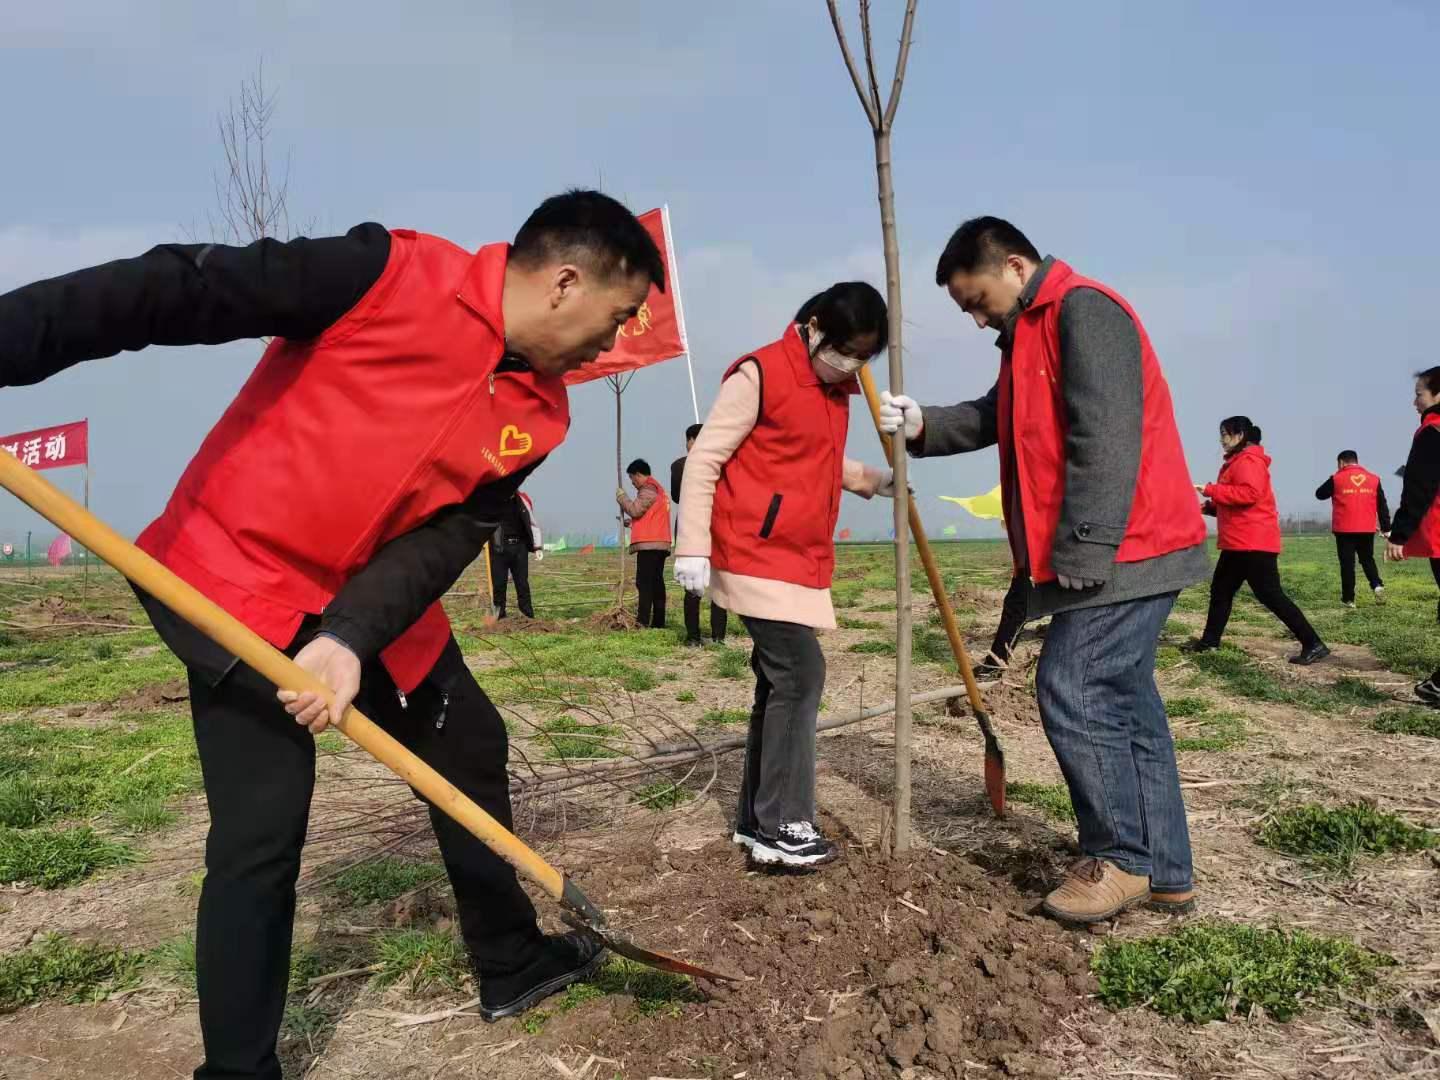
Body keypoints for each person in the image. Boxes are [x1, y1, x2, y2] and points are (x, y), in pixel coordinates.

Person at [0, 189, 664, 1079]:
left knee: (468, 741)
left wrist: (349, 637)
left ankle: (510, 961)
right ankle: (240, 1070)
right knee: (261, 833)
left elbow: (445, 540)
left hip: (376, 607)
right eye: (617, 318)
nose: (613, 344)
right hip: (235, 582)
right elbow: (180, 289)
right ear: (566, 282)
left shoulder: (544, 414)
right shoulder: (387, 274)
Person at [879, 217, 1208, 923]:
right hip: (1120, 547)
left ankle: (1117, 856)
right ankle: (1165, 868)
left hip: (1130, 545)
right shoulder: (1026, 335)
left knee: (1072, 682)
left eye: (976, 300)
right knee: (1125, 701)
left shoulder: (1085, 311)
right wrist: (922, 425)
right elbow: (999, 415)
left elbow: (1108, 434)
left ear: (1016, 265)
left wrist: (1085, 549)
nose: (974, 319)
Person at [675, 281, 898, 869]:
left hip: (799, 558)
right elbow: (706, 459)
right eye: (845, 349)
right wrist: (691, 546)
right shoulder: (760, 373)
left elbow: (815, 461)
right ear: (816, 326)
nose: (850, 364)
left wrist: (879, 480)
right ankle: (784, 823)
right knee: (800, 674)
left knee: (778, 685)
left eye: (863, 357)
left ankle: (757, 820)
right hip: (754, 551)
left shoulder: (837, 392)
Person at [1188, 417, 1330, 664]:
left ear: (1240, 434)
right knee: (1221, 590)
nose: (1221, 439)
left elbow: (1249, 494)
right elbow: (1234, 501)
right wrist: (1206, 507)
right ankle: (1209, 643)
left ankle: (1313, 643)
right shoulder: (1239, 461)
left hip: (1252, 542)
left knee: (1270, 595)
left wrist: (1210, 489)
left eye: (1225, 434)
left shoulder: (1249, 460)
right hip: (1239, 542)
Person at [1384, 366, 1440, 705]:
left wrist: (1399, 533)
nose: (1414, 401)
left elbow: (1419, 487)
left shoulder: (1432, 432)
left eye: (1420, 393)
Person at [671, 423, 728, 647]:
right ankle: (713, 637)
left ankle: (699, 637)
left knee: (697, 586)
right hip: (710, 528)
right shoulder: (719, 464)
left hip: (695, 529)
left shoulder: (681, 465)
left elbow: (677, 496)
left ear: (690, 440)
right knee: (711, 584)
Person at [1315, 451, 1391, 608]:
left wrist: (1335, 477)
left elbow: (1319, 494)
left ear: (1341, 463)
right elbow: (1382, 505)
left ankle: (1349, 599)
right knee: (1367, 559)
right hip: (1366, 528)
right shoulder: (1374, 479)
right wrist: (1386, 528)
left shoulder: (1336, 479)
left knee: (1347, 564)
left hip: (1344, 530)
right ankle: (1377, 585)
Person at [616, 458, 671, 628]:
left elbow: (635, 510)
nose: (632, 483)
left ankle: (642, 621)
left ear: (639, 475)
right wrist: (630, 523)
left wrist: (622, 497)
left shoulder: (648, 488)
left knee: (644, 583)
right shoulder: (657, 489)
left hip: (650, 544)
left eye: (632, 478)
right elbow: (649, 517)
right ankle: (658, 622)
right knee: (656, 582)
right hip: (659, 542)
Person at [488, 491, 540, 619]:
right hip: (498, 548)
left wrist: (537, 546)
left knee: (522, 583)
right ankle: (499, 616)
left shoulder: (523, 499)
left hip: (519, 547)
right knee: (499, 584)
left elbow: (532, 523)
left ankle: (527, 615)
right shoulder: (493, 500)